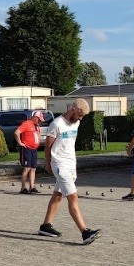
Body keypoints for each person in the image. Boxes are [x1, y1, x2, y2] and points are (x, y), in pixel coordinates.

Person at [38, 98, 101, 245]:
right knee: (73, 197)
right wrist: (48, 164)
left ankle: (45, 226)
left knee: (58, 195)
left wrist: (73, 165)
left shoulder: (76, 123)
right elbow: (48, 146)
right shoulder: (56, 124)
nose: (81, 118)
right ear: (73, 109)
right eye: (80, 115)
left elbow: (69, 145)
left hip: (70, 165)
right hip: (59, 164)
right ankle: (85, 232)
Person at [14, 110, 43, 194]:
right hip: (27, 148)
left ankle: (32, 186)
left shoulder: (37, 126)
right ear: (35, 117)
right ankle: (23, 188)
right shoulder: (26, 124)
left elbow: (38, 134)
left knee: (33, 168)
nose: (40, 122)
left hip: (34, 149)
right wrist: (20, 143)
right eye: (39, 120)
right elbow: (17, 132)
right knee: (27, 168)